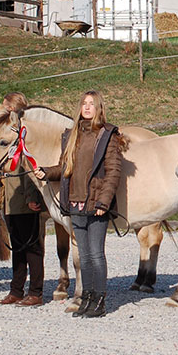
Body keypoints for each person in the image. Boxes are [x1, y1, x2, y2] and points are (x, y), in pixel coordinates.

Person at [34, 91, 126, 318]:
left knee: (96, 254)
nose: (87, 107)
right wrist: (46, 172)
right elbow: (65, 168)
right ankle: (87, 297)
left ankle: (100, 301)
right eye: (84, 103)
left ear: (99, 108)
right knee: (83, 255)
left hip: (96, 203)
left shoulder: (107, 135)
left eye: (91, 104)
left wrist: (104, 201)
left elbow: (113, 172)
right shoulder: (72, 135)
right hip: (75, 202)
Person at [0, 93, 47, 307]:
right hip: (10, 199)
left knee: (32, 248)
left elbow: (30, 168)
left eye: (5, 107)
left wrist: (32, 197)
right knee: (17, 247)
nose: (1, 109)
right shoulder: (9, 133)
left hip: (25, 200)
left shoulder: (25, 135)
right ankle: (16, 290)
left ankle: (36, 291)